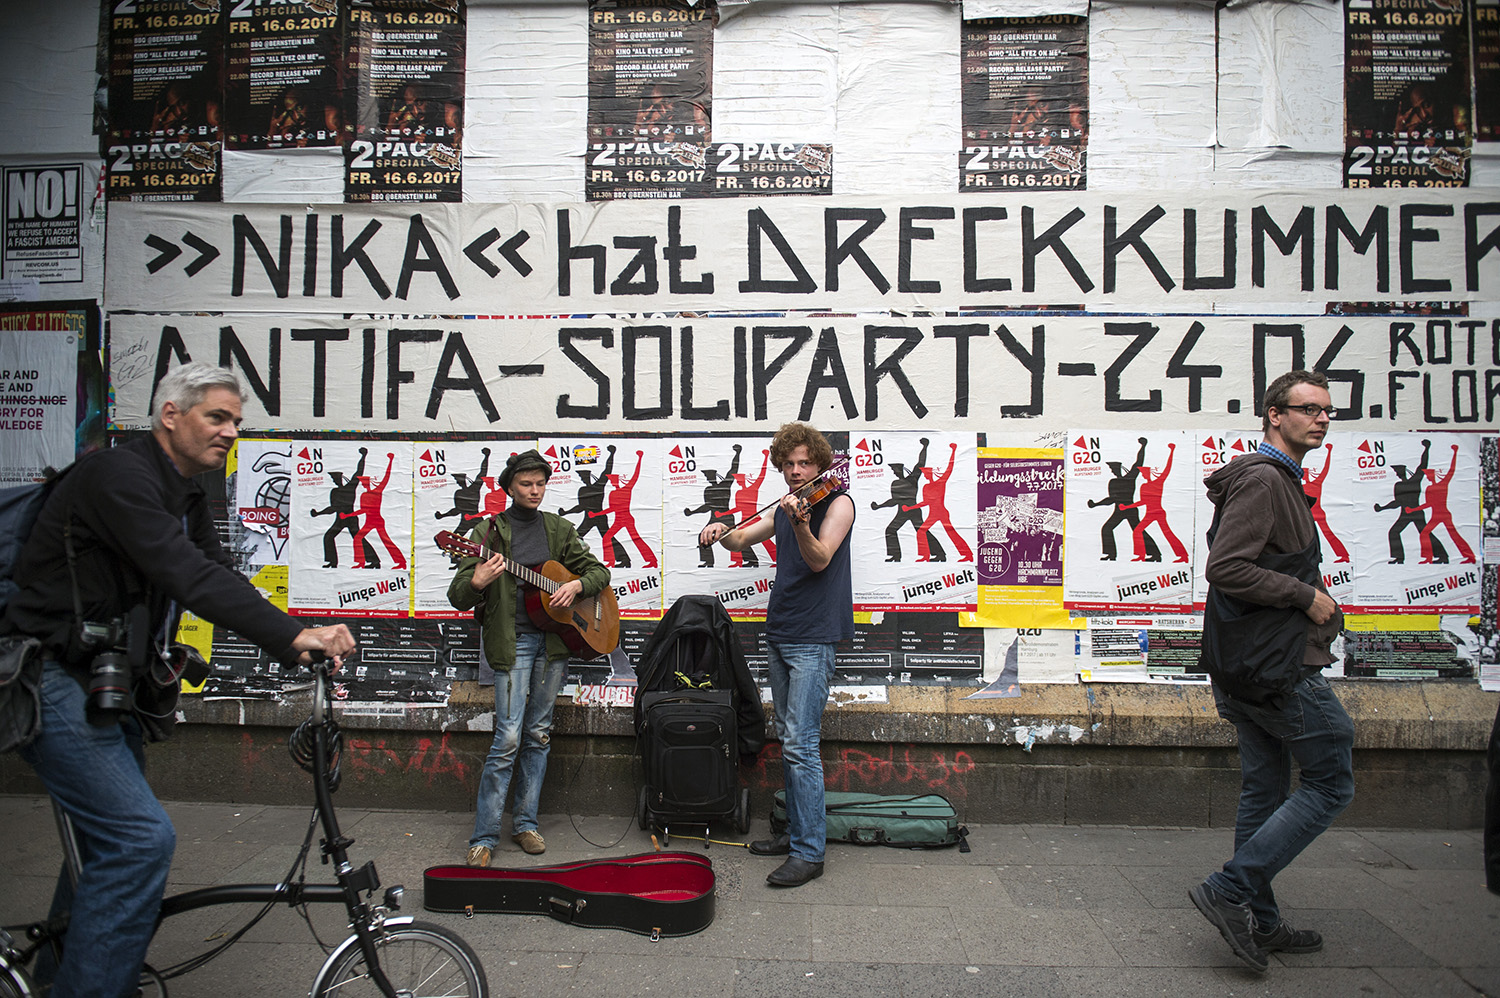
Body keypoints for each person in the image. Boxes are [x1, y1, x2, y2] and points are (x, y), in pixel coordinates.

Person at [2, 362, 356, 998]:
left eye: (236, 421)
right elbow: (183, 573)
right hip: (48, 677)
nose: (230, 432)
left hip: (106, 685)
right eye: (217, 417)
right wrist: (291, 635)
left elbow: (218, 575)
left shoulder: (185, 491)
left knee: (105, 845)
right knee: (139, 841)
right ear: (171, 414)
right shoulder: (118, 476)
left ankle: (63, 976)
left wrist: (297, 642)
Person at [1191, 370, 1353, 973]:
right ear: (1274, 416)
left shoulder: (1277, 480)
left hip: (1250, 665)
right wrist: (1304, 596)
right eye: (1308, 408)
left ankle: (1259, 920)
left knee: (1264, 790)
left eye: (1327, 410)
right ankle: (1230, 889)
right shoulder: (1264, 480)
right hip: (1277, 669)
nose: (1321, 418)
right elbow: (1226, 567)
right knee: (1331, 781)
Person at [698, 423, 854, 888]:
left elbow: (820, 558)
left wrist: (801, 523)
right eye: (788, 464)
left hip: (814, 637)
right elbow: (741, 540)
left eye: (805, 463)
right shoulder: (786, 506)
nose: (796, 471)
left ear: (820, 464)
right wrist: (721, 529)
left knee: (801, 744)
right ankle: (793, 832)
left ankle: (810, 852)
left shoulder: (838, 503)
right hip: (781, 632)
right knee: (788, 737)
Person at [447, 450, 610, 865]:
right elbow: (458, 595)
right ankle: (484, 837)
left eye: (540, 484)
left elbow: (599, 573)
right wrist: (477, 581)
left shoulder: (558, 528)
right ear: (509, 487)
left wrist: (576, 586)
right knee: (508, 737)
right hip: (514, 642)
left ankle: (525, 824)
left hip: (553, 644)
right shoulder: (487, 533)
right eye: (526, 484)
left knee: (538, 734)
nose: (534, 491)